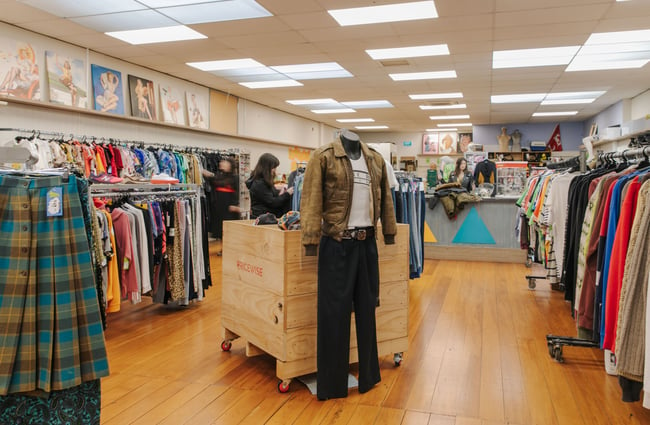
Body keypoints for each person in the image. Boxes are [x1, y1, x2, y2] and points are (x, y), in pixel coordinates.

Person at [300, 129, 397, 400]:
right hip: (337, 244)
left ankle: (368, 376)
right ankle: (331, 385)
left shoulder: (375, 159)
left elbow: (385, 199)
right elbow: (311, 201)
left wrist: (389, 232)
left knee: (367, 309)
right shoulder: (323, 157)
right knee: (333, 314)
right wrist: (310, 240)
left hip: (367, 245)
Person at [203, 157, 241, 246]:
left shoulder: (236, 178)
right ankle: (223, 247)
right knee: (220, 229)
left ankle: (229, 247)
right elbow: (213, 178)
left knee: (229, 229)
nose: (222, 163)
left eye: (225, 162)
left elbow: (238, 192)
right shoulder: (219, 176)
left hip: (230, 207)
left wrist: (237, 205)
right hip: (219, 207)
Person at [245, 153, 293, 219]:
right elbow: (272, 202)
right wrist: (287, 194)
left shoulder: (263, 181)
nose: (275, 170)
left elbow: (270, 197)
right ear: (267, 167)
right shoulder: (259, 183)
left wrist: (280, 193)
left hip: (266, 217)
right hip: (263, 219)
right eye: (274, 167)